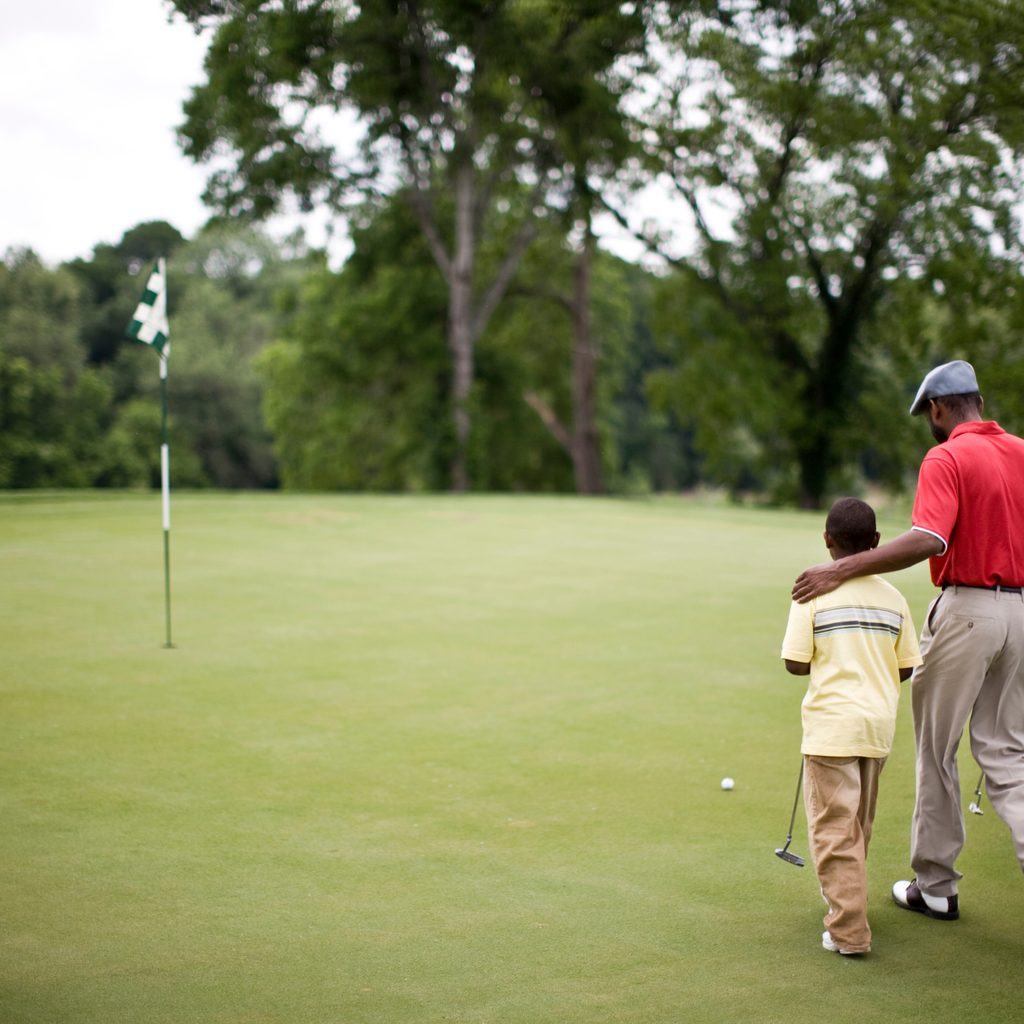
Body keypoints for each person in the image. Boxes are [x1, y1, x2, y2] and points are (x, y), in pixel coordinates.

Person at [792, 359, 1024, 923]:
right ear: (982, 401)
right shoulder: (1019, 451)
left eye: (928, 414)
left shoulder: (945, 455)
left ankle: (937, 885)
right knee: (1008, 753)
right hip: (1021, 613)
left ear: (939, 409)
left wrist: (839, 571)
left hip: (969, 609)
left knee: (937, 749)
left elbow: (928, 538)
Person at [782, 497, 922, 955]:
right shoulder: (895, 598)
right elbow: (905, 668)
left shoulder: (812, 591)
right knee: (857, 824)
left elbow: (795, 664)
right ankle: (849, 901)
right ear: (876, 543)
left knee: (833, 829)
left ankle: (848, 931)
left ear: (827, 540)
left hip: (831, 729)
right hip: (876, 728)